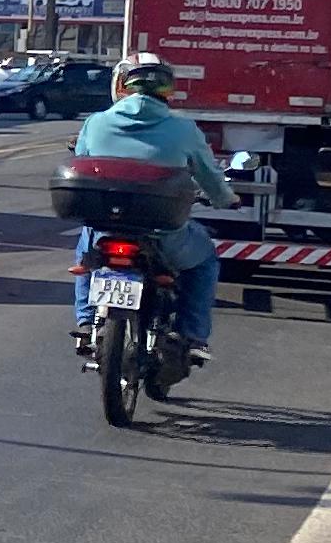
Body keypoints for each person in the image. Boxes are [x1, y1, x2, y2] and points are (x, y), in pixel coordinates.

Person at [67, 49, 235, 364]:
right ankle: (193, 335)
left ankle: (87, 321)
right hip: (163, 232)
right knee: (205, 261)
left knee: (87, 249)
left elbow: (81, 163)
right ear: (166, 91)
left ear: (122, 86)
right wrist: (227, 199)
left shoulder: (96, 122)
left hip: (106, 227)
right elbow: (209, 175)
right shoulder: (184, 129)